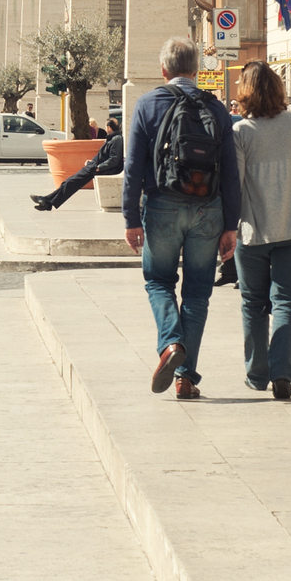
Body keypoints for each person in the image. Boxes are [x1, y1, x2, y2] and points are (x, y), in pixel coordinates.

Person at [123, 36, 240, 400]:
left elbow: (132, 168)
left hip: (161, 206)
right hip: (208, 209)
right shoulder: (217, 108)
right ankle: (185, 379)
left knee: (158, 280)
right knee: (198, 293)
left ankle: (170, 344)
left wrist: (131, 217)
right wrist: (231, 225)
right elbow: (232, 172)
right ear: (195, 70)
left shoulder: (148, 104)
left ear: (164, 70)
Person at [232, 61, 291, 400]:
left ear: (244, 93)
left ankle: (257, 375)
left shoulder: (241, 132)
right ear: (277, 88)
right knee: (285, 300)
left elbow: (236, 185)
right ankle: (282, 373)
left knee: (253, 302)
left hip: (253, 233)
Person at [32, 117, 124, 210]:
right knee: (70, 182)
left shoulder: (116, 139)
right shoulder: (112, 138)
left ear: (109, 128)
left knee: (71, 182)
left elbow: (114, 160)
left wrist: (99, 167)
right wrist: (92, 161)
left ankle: (46, 201)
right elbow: (102, 155)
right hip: (95, 166)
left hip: (103, 169)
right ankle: (47, 201)